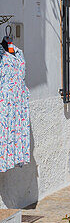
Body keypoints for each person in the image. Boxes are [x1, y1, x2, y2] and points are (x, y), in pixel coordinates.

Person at [0, 36, 31, 173]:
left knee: (16, 135)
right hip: (5, 104)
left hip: (19, 104)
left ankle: (15, 158)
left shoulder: (19, 53)